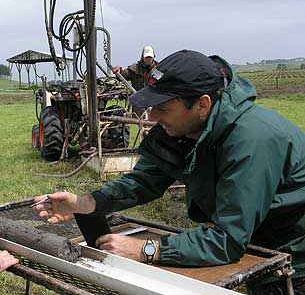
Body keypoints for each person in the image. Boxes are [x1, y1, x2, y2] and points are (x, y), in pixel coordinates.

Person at [35, 50, 305, 294]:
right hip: (253, 234)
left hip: (293, 245)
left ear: (202, 104)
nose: (152, 118)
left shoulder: (251, 140)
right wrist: (85, 203)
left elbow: (228, 239)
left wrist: (146, 249)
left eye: (163, 108)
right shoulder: (185, 128)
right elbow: (143, 182)